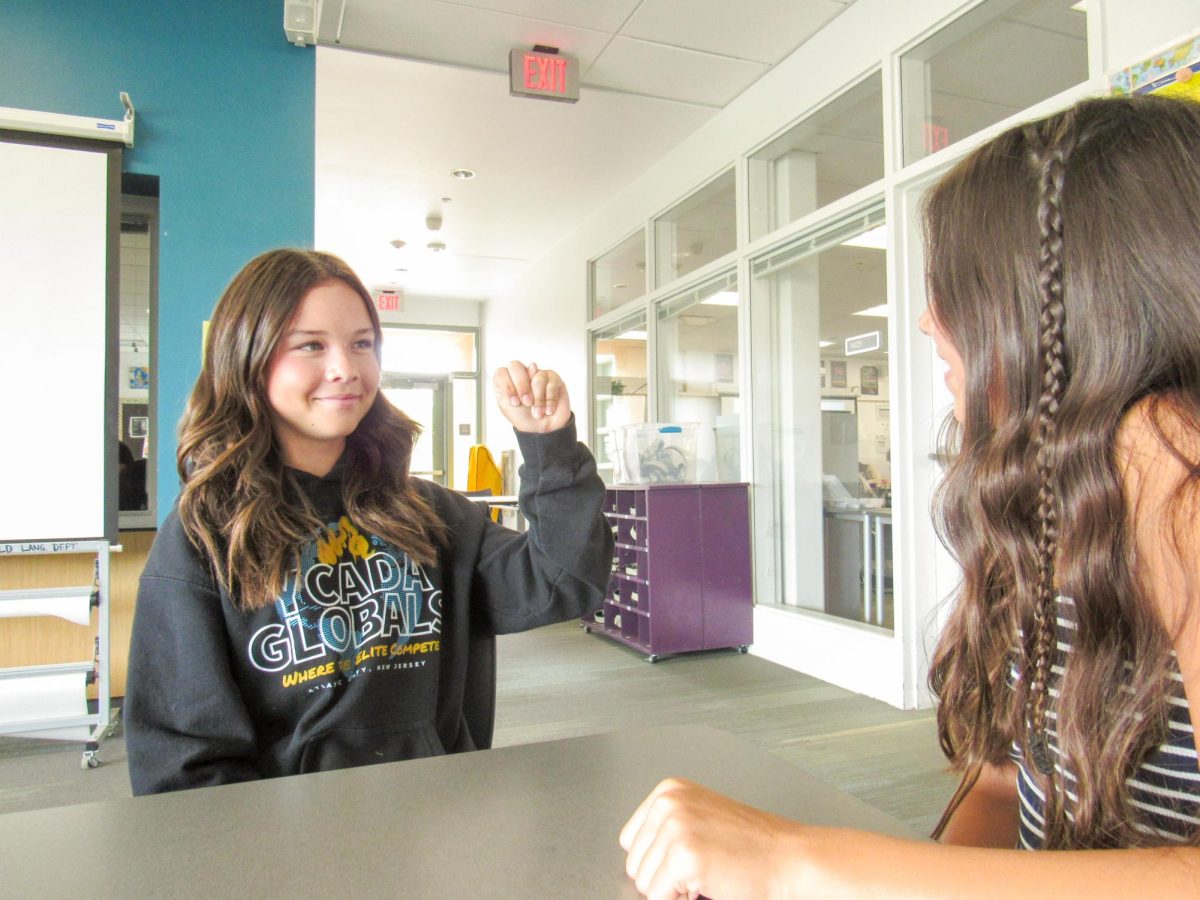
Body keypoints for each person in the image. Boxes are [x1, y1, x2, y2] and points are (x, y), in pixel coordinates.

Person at [619, 95, 1200, 897]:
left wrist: (796, 863)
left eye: (958, 285)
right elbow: (1004, 787)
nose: (929, 322)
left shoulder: (1168, 452)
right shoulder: (1047, 489)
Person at [125, 249, 613, 794]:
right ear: (248, 359)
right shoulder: (206, 535)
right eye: (311, 345)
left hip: (439, 827)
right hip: (288, 856)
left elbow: (565, 581)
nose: (347, 369)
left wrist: (550, 447)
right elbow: (183, 764)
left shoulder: (428, 514)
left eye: (362, 343)